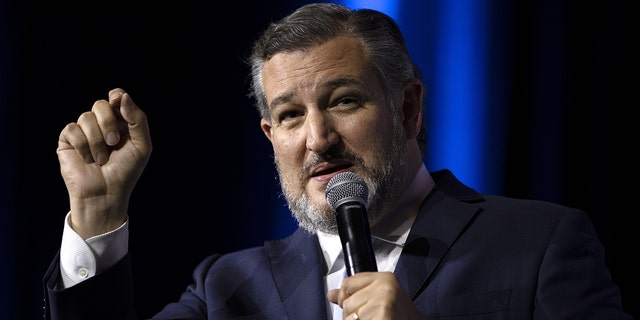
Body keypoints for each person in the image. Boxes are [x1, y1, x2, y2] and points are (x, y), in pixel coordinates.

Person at [42, 2, 631, 320]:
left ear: (407, 109)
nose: (318, 138)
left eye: (344, 101)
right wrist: (97, 212)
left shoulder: (540, 242)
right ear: (271, 136)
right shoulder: (226, 287)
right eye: (291, 116)